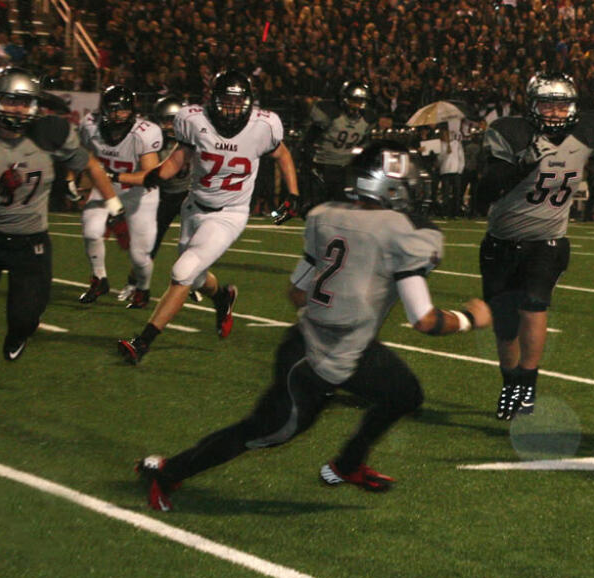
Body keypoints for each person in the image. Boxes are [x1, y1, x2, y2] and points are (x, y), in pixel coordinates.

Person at [134, 142, 492, 511]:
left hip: (337, 343)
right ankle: (168, 471)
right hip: (316, 358)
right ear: (390, 186)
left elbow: (297, 294)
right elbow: (424, 319)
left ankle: (348, 464)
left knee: (404, 393)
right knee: (265, 432)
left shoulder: (325, 214)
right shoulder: (402, 232)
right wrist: (469, 318)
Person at [115, 70, 301, 364]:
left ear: (248, 103)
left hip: (229, 214)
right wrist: (129, 177)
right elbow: (172, 165)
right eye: (225, 101)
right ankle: (223, 297)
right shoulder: (194, 120)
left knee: (182, 271)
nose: (230, 108)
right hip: (194, 207)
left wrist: (293, 194)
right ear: (212, 100)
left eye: (236, 102)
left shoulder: (263, 126)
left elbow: (283, 155)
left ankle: (143, 343)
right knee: (196, 276)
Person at [470, 72, 594, 421]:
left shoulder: (588, 128)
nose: (554, 112)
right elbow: (484, 193)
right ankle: (510, 381)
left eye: (562, 105)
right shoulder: (511, 133)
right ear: (532, 106)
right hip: (502, 240)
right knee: (505, 324)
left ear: (573, 107)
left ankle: (528, 380)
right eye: (547, 105)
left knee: (534, 306)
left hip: (548, 240)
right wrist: (522, 163)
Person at [0, 66, 118, 360]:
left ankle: (19, 333)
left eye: (25, 102)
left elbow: (89, 164)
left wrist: (114, 207)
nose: (18, 110)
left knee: (26, 317)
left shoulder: (49, 132)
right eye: (11, 101)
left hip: (30, 240)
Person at [77, 85, 163, 308]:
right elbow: (81, 153)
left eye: (122, 110)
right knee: (91, 230)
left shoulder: (145, 132)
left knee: (139, 255)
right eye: (112, 110)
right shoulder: (90, 124)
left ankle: (142, 289)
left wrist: (114, 175)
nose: (117, 115)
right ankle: (99, 279)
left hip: (140, 195)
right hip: (106, 187)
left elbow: (150, 176)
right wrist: (71, 177)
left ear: (132, 110)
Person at [300, 80, 375, 207]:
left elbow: (365, 144)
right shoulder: (330, 115)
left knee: (342, 205)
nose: (356, 105)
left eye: (359, 102)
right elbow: (308, 141)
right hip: (323, 165)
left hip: (345, 167)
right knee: (318, 205)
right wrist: (310, 163)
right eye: (353, 101)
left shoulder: (367, 121)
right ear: (344, 99)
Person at [148, 96, 192, 260]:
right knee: (150, 242)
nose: (168, 126)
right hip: (164, 195)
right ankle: (137, 283)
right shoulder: (155, 142)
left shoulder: (195, 139)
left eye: (171, 120)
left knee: (193, 246)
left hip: (190, 195)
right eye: (164, 121)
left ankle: (206, 285)